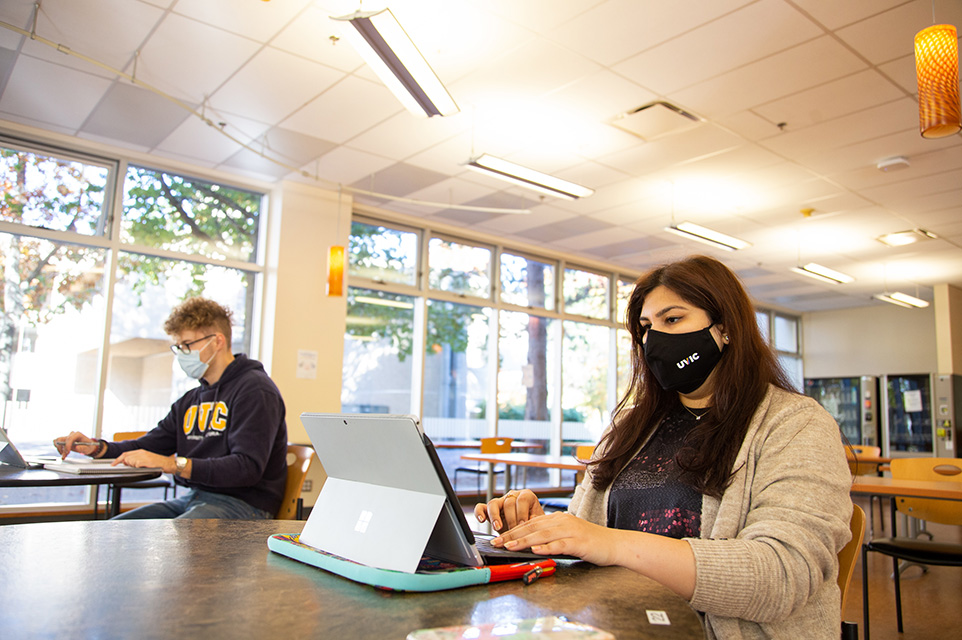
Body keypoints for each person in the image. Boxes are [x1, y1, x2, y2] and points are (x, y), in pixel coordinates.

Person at [475, 255, 852, 640]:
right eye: (645, 327)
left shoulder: (795, 423)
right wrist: (541, 531)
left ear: (725, 328)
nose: (654, 339)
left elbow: (782, 574)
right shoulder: (630, 425)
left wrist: (609, 543)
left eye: (672, 320)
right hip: (611, 625)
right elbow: (588, 534)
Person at [54, 297, 288, 520]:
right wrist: (96, 448)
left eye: (187, 345)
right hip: (195, 498)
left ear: (218, 341)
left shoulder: (255, 391)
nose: (183, 354)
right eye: (178, 347)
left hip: (245, 506)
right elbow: (147, 445)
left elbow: (246, 468)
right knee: (113, 533)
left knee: (162, 543)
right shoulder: (191, 400)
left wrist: (172, 464)